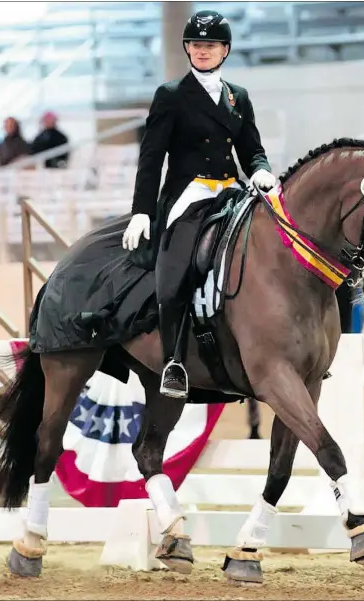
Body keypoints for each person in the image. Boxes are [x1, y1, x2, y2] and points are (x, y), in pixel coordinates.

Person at [122, 9, 276, 399]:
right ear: (187, 48)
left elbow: (252, 149)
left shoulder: (238, 97)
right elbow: (151, 157)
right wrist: (142, 210)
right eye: (195, 44)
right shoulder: (171, 96)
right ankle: (174, 362)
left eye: (210, 45)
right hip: (190, 193)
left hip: (230, 190)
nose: (202, 50)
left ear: (224, 50)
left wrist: (261, 170)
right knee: (174, 275)